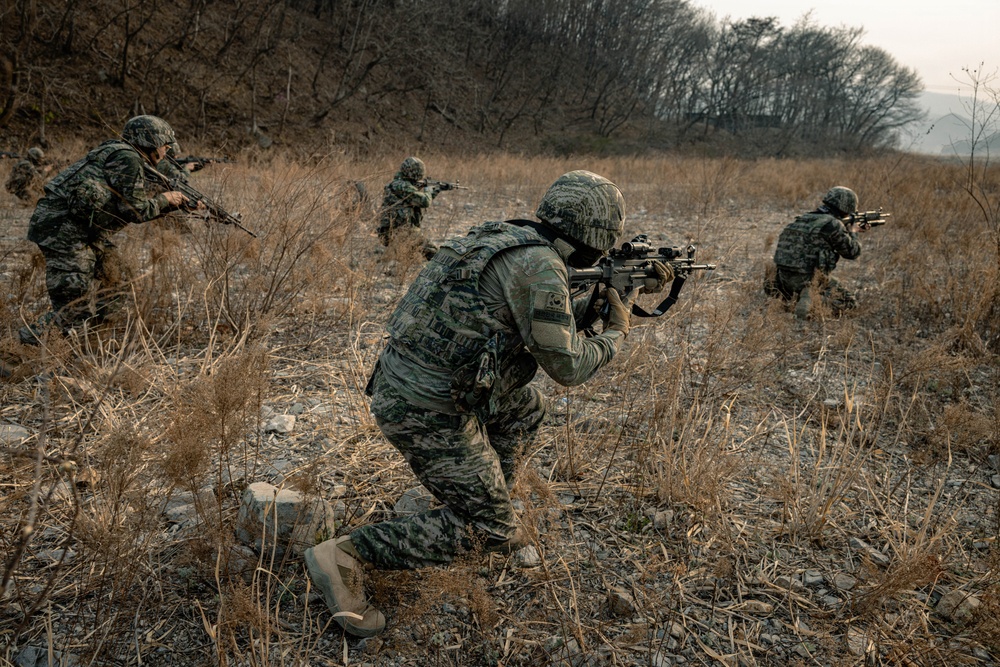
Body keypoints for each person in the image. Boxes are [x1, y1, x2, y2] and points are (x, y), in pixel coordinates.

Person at [305, 170, 672, 637]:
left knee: (527, 407)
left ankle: (485, 493)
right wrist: (619, 328)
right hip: (428, 408)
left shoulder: (509, 239)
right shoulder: (541, 266)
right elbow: (570, 367)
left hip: (419, 386)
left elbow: (537, 321)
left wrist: (608, 296)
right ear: (598, 235)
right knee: (493, 535)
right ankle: (345, 554)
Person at [19, 115, 195, 345]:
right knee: (73, 309)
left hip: (85, 231)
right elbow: (137, 210)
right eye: (165, 144)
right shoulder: (127, 158)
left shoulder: (122, 153)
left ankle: (94, 340)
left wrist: (175, 203)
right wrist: (165, 199)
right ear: (151, 142)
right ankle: (22, 350)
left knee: (118, 280)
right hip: (63, 232)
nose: (167, 150)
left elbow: (128, 206)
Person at [766, 186, 866, 319]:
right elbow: (852, 252)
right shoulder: (833, 225)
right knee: (850, 304)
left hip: (782, 281)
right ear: (846, 207)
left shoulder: (803, 218)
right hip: (809, 281)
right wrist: (853, 232)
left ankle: (794, 300)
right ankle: (809, 301)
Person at [376, 156, 451, 259]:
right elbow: (424, 201)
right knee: (435, 254)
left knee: (412, 254)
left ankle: (398, 251)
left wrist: (437, 190)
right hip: (401, 233)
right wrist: (428, 190)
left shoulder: (398, 184)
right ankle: (396, 251)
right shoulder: (402, 186)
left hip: (394, 233)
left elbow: (419, 201)